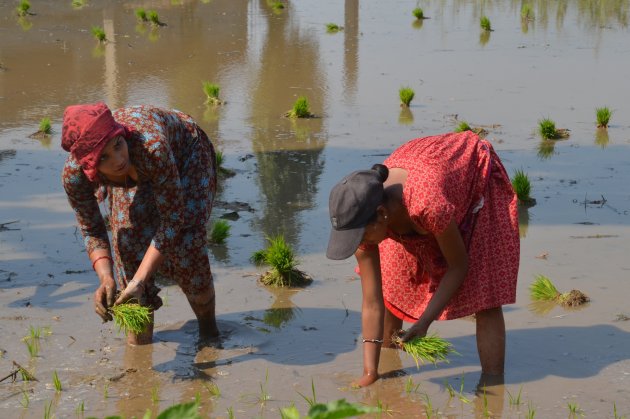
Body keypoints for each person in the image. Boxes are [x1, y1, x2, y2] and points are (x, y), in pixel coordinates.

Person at [326, 131, 519, 387]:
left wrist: (424, 321)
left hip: (473, 182)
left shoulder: (426, 204)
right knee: (392, 290)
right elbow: (373, 302)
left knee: (485, 295)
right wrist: (370, 372)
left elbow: (458, 266)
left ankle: (493, 389)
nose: (359, 243)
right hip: (416, 195)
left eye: (360, 236)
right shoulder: (362, 218)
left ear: (382, 214)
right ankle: (388, 368)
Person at [61, 102, 219, 345]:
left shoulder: (151, 148)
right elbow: (92, 229)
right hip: (141, 170)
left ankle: (209, 333)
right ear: (89, 165)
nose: (117, 160)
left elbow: (173, 219)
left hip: (185, 154)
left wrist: (140, 280)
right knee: (126, 242)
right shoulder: (75, 178)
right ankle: (140, 348)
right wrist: (106, 278)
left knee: (187, 244)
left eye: (117, 145)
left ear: (122, 135)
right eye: (103, 157)